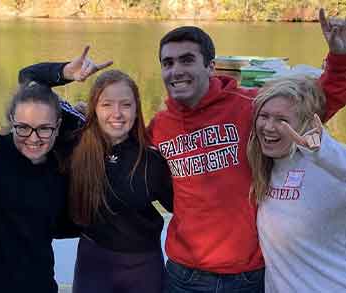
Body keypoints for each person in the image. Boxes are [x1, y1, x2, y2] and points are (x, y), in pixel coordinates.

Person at [147, 8, 346, 292]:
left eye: (187, 60)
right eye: (167, 63)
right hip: (184, 275)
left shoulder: (250, 108)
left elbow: (314, 108)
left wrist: (339, 60)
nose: (176, 70)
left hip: (247, 277)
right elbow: (120, 144)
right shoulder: (159, 126)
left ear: (210, 66)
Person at [19, 51, 173, 293]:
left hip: (143, 264)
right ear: (94, 107)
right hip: (94, 260)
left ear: (136, 109)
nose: (117, 113)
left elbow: (182, 206)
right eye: (107, 104)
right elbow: (28, 79)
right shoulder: (75, 135)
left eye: (126, 105)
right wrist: (66, 72)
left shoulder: (152, 158)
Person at [0, 82, 74, 292]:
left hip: (38, 284)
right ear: (12, 121)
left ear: (58, 125)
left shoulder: (60, 168)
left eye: (45, 128)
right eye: (23, 128)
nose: (33, 138)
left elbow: (65, 226)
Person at [247, 76, 346, 292]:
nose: (269, 127)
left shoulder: (330, 166)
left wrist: (323, 150)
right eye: (264, 116)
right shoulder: (266, 168)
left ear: (306, 124)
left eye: (282, 120)